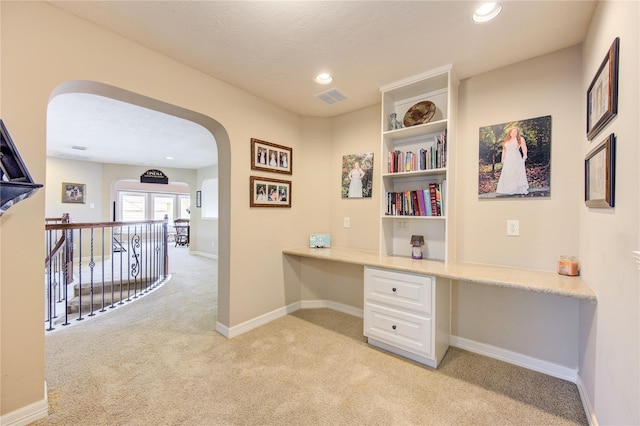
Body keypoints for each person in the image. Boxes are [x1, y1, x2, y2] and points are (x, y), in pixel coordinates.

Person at [496, 127, 529, 195]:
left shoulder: (520, 139)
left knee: (515, 173)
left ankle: (516, 189)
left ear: (517, 133)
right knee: (508, 172)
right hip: (508, 159)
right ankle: (507, 188)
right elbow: (504, 150)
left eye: (515, 131)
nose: (513, 133)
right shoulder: (507, 140)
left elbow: (524, 147)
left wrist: (525, 155)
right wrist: (502, 159)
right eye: (512, 131)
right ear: (509, 133)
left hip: (516, 157)